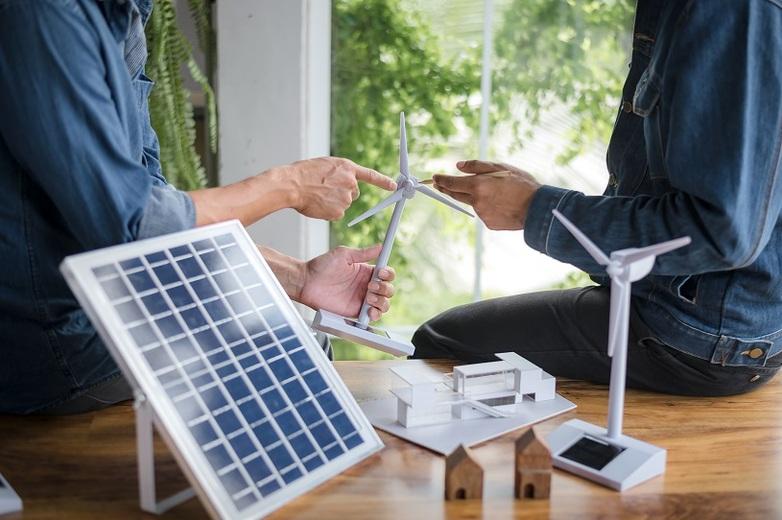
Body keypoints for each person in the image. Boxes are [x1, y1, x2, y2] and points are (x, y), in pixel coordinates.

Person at [0, 0, 396, 414]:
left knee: (300, 339)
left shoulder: (127, 17)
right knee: (296, 355)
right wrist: (289, 186)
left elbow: (153, 202)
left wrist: (297, 277)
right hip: (48, 340)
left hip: (101, 301)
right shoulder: (43, 13)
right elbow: (133, 224)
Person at [413, 0, 782, 397]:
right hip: (696, 311)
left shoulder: (731, 11)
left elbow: (721, 232)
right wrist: (534, 197)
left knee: (441, 342)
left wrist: (532, 208)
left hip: (701, 333)